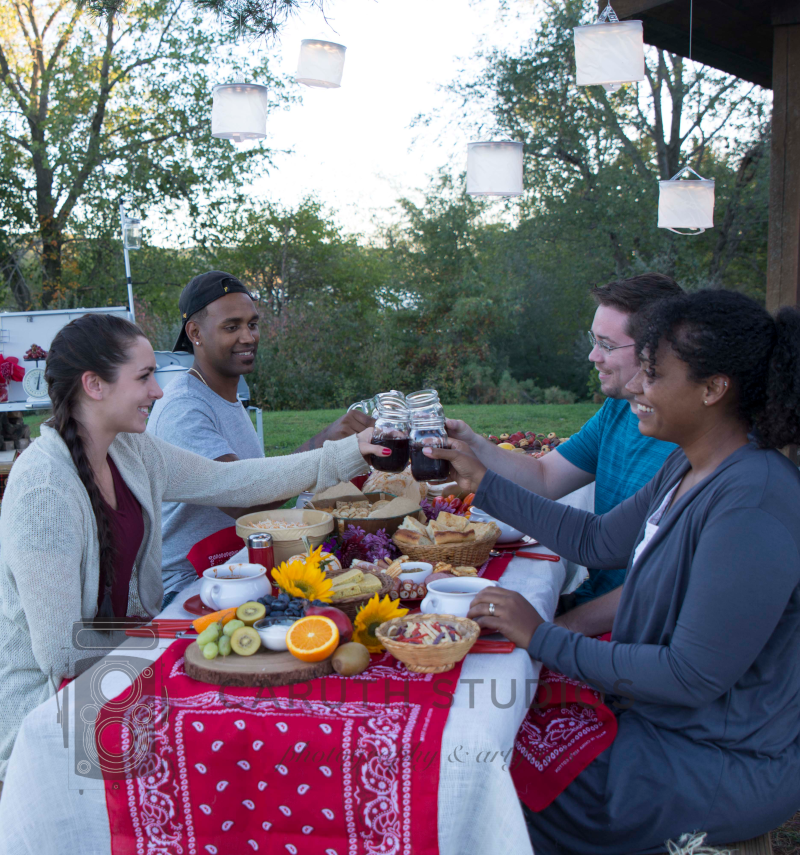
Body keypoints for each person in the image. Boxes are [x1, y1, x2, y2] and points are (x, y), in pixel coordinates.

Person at [424, 290, 800, 852]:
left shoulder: (752, 503)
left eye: (652, 374)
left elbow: (689, 676)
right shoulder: (690, 463)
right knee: (484, 734)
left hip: (716, 762)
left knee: (481, 777)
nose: (634, 387)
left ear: (713, 388)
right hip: (662, 724)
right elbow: (595, 540)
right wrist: (484, 482)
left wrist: (544, 635)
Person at [0, 313, 385, 780]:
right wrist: (173, 638)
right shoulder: (44, 490)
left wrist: (350, 451)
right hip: (52, 717)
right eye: (144, 378)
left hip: (120, 671)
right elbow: (63, 652)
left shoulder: (131, 451)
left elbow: (231, 481)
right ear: (94, 385)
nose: (158, 392)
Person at [447, 273, 683, 605]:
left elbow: (645, 581)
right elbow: (544, 477)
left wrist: (556, 628)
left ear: (657, 350)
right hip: (595, 602)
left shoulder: (689, 442)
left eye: (606, 345)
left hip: (630, 625)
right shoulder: (616, 410)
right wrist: (471, 443)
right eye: (594, 340)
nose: (593, 356)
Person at [147, 271, 374, 599]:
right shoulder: (184, 406)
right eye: (231, 326)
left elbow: (256, 480)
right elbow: (245, 501)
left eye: (252, 324)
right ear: (194, 332)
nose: (248, 336)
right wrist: (326, 445)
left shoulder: (227, 394)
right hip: (191, 584)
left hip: (240, 562)